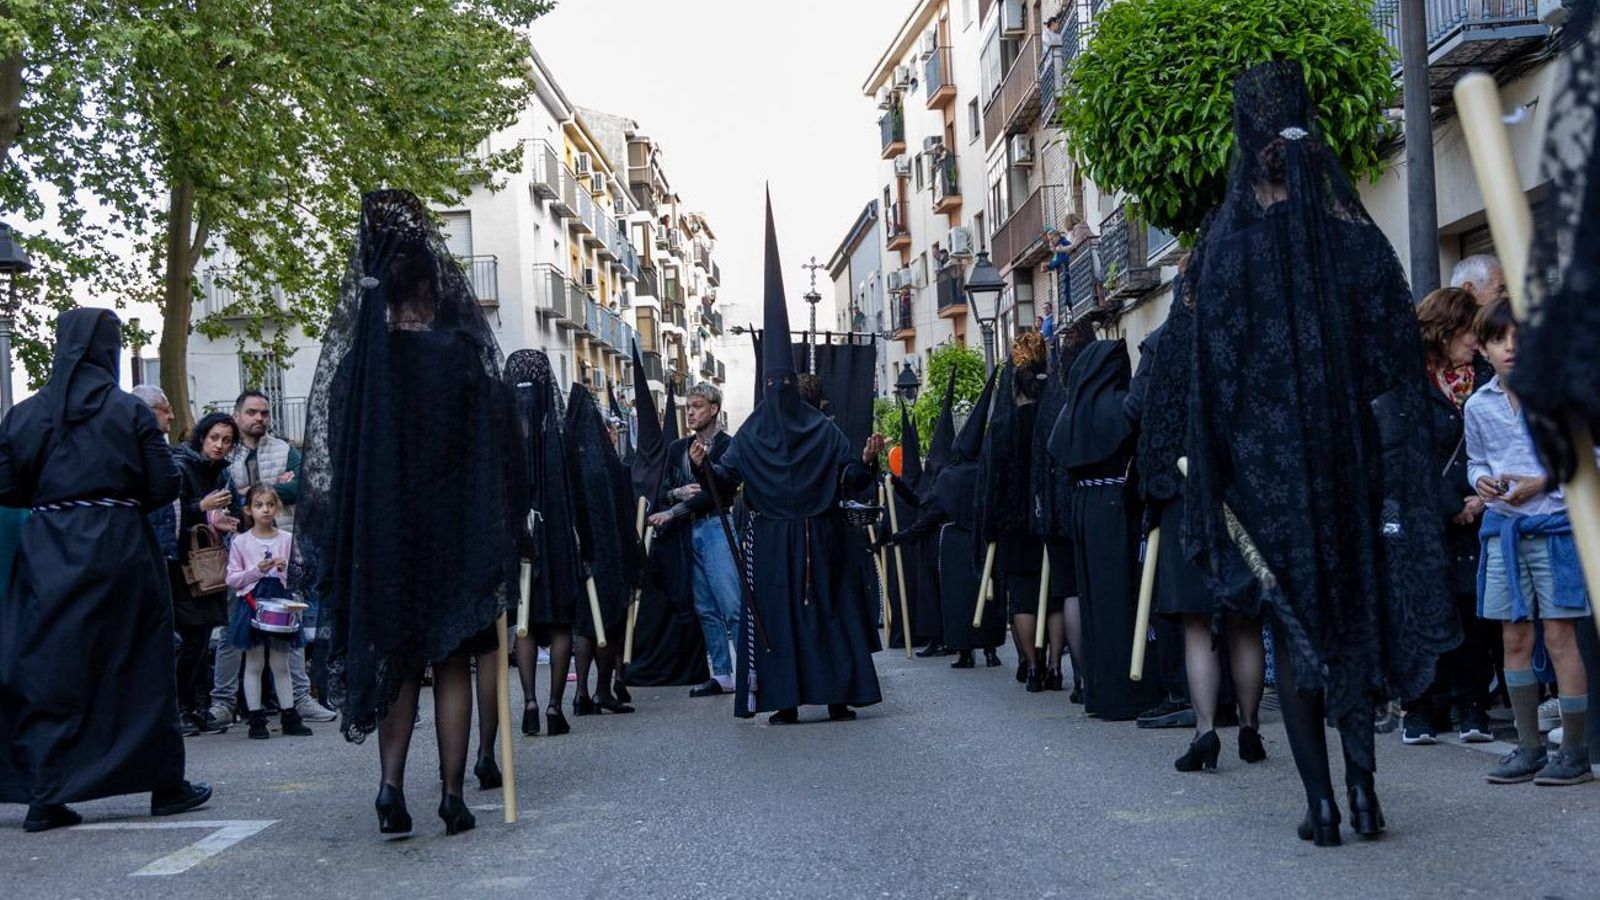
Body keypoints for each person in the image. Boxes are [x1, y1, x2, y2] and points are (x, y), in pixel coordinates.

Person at [1184, 61, 1459, 846]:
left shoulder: (1223, 261)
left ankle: (1324, 805)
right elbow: (1400, 375)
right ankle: (1366, 794)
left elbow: (1208, 387)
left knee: (1296, 632)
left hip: (1271, 485)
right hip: (1355, 477)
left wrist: (1221, 480)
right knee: (1348, 628)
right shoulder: (1363, 252)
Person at [300, 189, 516, 836]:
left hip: (385, 536)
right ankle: (452, 795)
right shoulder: (461, 361)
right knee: (450, 663)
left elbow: (333, 467)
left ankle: (390, 787)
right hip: (453, 531)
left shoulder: (352, 377)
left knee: (395, 661)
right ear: (431, 291)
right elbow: (496, 456)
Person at [0, 308, 212, 832]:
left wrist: (56, 501)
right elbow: (165, 485)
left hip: (49, 548)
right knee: (137, 660)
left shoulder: (25, 415)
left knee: (49, 664)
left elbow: (4, 487)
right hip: (119, 546)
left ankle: (46, 796)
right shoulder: (129, 411)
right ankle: (164, 786)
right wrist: (111, 500)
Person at [699, 195, 884, 724]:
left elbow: (849, 477)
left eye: (783, 385)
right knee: (795, 617)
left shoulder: (802, 431)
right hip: (792, 541)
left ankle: (827, 694)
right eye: (776, 383)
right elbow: (724, 480)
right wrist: (701, 466)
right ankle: (790, 698)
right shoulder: (781, 431)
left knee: (819, 614)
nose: (780, 391)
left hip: (803, 541)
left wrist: (868, 462)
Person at [1133, 263, 1267, 772]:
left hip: (1182, 501)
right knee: (1244, 621)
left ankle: (1206, 730)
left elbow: (1142, 417)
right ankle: (1250, 727)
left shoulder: (1164, 346)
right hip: (1238, 498)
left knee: (1196, 626)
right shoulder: (1243, 338)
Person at [1466, 299, 1592, 785]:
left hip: (1556, 530)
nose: (1511, 347)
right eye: (1499, 339)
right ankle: (1529, 747)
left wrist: (1542, 482)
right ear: (1484, 348)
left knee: (1561, 638)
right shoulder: (1478, 404)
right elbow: (1477, 461)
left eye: (1520, 336)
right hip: (1503, 532)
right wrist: (1481, 482)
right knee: (1513, 638)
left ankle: (1575, 753)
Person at [1381, 287, 1493, 746]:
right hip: (1424, 513)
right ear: (1444, 332)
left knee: (1472, 610)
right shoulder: (1406, 378)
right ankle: (1422, 706)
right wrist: (1451, 504)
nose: (1476, 342)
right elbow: (1401, 449)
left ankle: (1472, 706)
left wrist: (1480, 500)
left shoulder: (1486, 377)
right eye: (1469, 332)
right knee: (1425, 607)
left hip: (1481, 506)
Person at [210, 391, 335, 728]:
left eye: (264, 412)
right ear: (237, 415)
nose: (259, 418)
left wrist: (254, 493)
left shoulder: (283, 451)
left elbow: (303, 488)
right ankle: (222, 702)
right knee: (233, 631)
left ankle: (299, 699)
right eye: (252, 412)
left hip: (281, 549)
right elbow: (222, 496)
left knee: (289, 629)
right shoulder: (226, 450)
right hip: (237, 549)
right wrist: (266, 490)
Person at [892, 368, 1005, 669]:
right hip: (983, 539)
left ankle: (966, 652)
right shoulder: (985, 471)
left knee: (959, 598)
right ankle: (991, 650)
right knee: (986, 594)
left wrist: (904, 536)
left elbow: (931, 511)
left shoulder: (950, 477)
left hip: (955, 542)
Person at [504, 349, 580, 738]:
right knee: (561, 620)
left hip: (517, 536)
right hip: (557, 538)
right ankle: (554, 706)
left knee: (525, 623)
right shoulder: (559, 429)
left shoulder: (502, 431)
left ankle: (530, 701)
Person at [649, 382, 741, 696]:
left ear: (714, 408)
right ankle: (722, 673)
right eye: (689, 406)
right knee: (705, 607)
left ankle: (748, 670)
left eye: (698, 406)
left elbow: (719, 494)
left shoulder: (729, 446)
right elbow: (662, 491)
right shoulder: (678, 448)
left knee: (732, 603)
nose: (691, 412)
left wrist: (675, 511)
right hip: (689, 530)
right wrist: (678, 494)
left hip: (717, 526)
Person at [171, 412, 242, 735]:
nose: (220, 445)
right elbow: (170, 516)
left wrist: (228, 520)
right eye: (215, 438)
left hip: (211, 565)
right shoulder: (182, 467)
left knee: (201, 640)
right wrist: (202, 507)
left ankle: (198, 707)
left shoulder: (222, 474)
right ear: (202, 437)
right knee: (191, 638)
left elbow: (236, 511)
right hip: (185, 568)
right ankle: (182, 707)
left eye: (226, 440)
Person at [224, 484, 313, 740]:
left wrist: (287, 569)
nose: (265, 510)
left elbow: (301, 572)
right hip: (252, 605)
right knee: (254, 663)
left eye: (270, 505)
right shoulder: (241, 541)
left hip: (280, 604)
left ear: (278, 507)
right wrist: (257, 570)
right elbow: (232, 579)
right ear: (248, 510)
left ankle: (289, 715)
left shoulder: (286, 538)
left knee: (281, 663)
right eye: (259, 505)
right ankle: (256, 719)